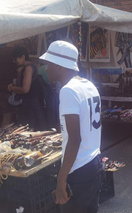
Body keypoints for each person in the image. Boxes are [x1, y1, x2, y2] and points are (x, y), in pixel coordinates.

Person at [40, 41, 102, 212]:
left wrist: (61, 178)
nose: (45, 69)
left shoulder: (68, 91)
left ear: (59, 66)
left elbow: (75, 138)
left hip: (79, 168)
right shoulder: (89, 85)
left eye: (48, 64)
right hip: (94, 162)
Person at [8, 46, 46, 131]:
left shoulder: (28, 68)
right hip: (33, 103)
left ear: (23, 57)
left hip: (31, 104)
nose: (14, 61)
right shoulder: (31, 67)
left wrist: (12, 88)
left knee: (29, 129)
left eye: (15, 59)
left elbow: (25, 89)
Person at [0, 42, 19, 127]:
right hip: (16, 90)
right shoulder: (16, 52)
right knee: (19, 117)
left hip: (2, 88)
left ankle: (2, 138)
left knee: (6, 116)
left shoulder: (0, 53)